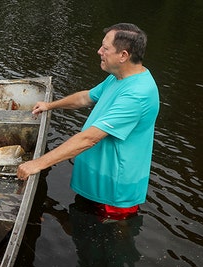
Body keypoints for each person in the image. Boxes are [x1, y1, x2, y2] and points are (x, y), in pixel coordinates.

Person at [17, 23, 159, 221]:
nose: (99, 51)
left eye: (105, 48)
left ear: (123, 55)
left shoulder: (138, 94)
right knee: (81, 236)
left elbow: (89, 139)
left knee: (108, 244)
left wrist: (38, 164)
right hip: (97, 182)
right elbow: (85, 97)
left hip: (114, 194)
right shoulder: (119, 76)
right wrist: (50, 105)